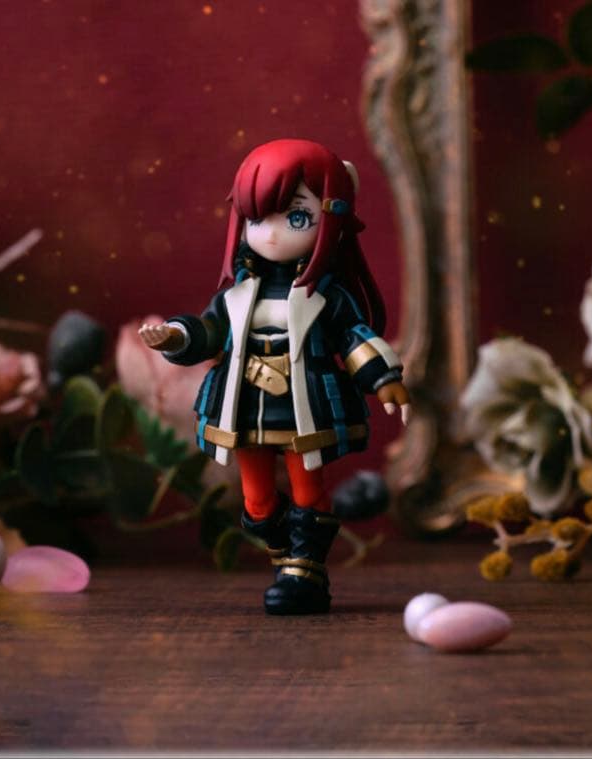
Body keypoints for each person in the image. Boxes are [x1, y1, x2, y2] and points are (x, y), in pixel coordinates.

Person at [139, 138, 409, 614]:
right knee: (257, 505)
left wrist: (382, 377)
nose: (272, 234)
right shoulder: (235, 295)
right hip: (243, 404)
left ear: (331, 216)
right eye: (257, 219)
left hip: (305, 403)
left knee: (308, 490)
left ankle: (304, 571)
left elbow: (353, 335)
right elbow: (209, 331)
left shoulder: (326, 296)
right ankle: (290, 559)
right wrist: (176, 336)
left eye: (297, 217)